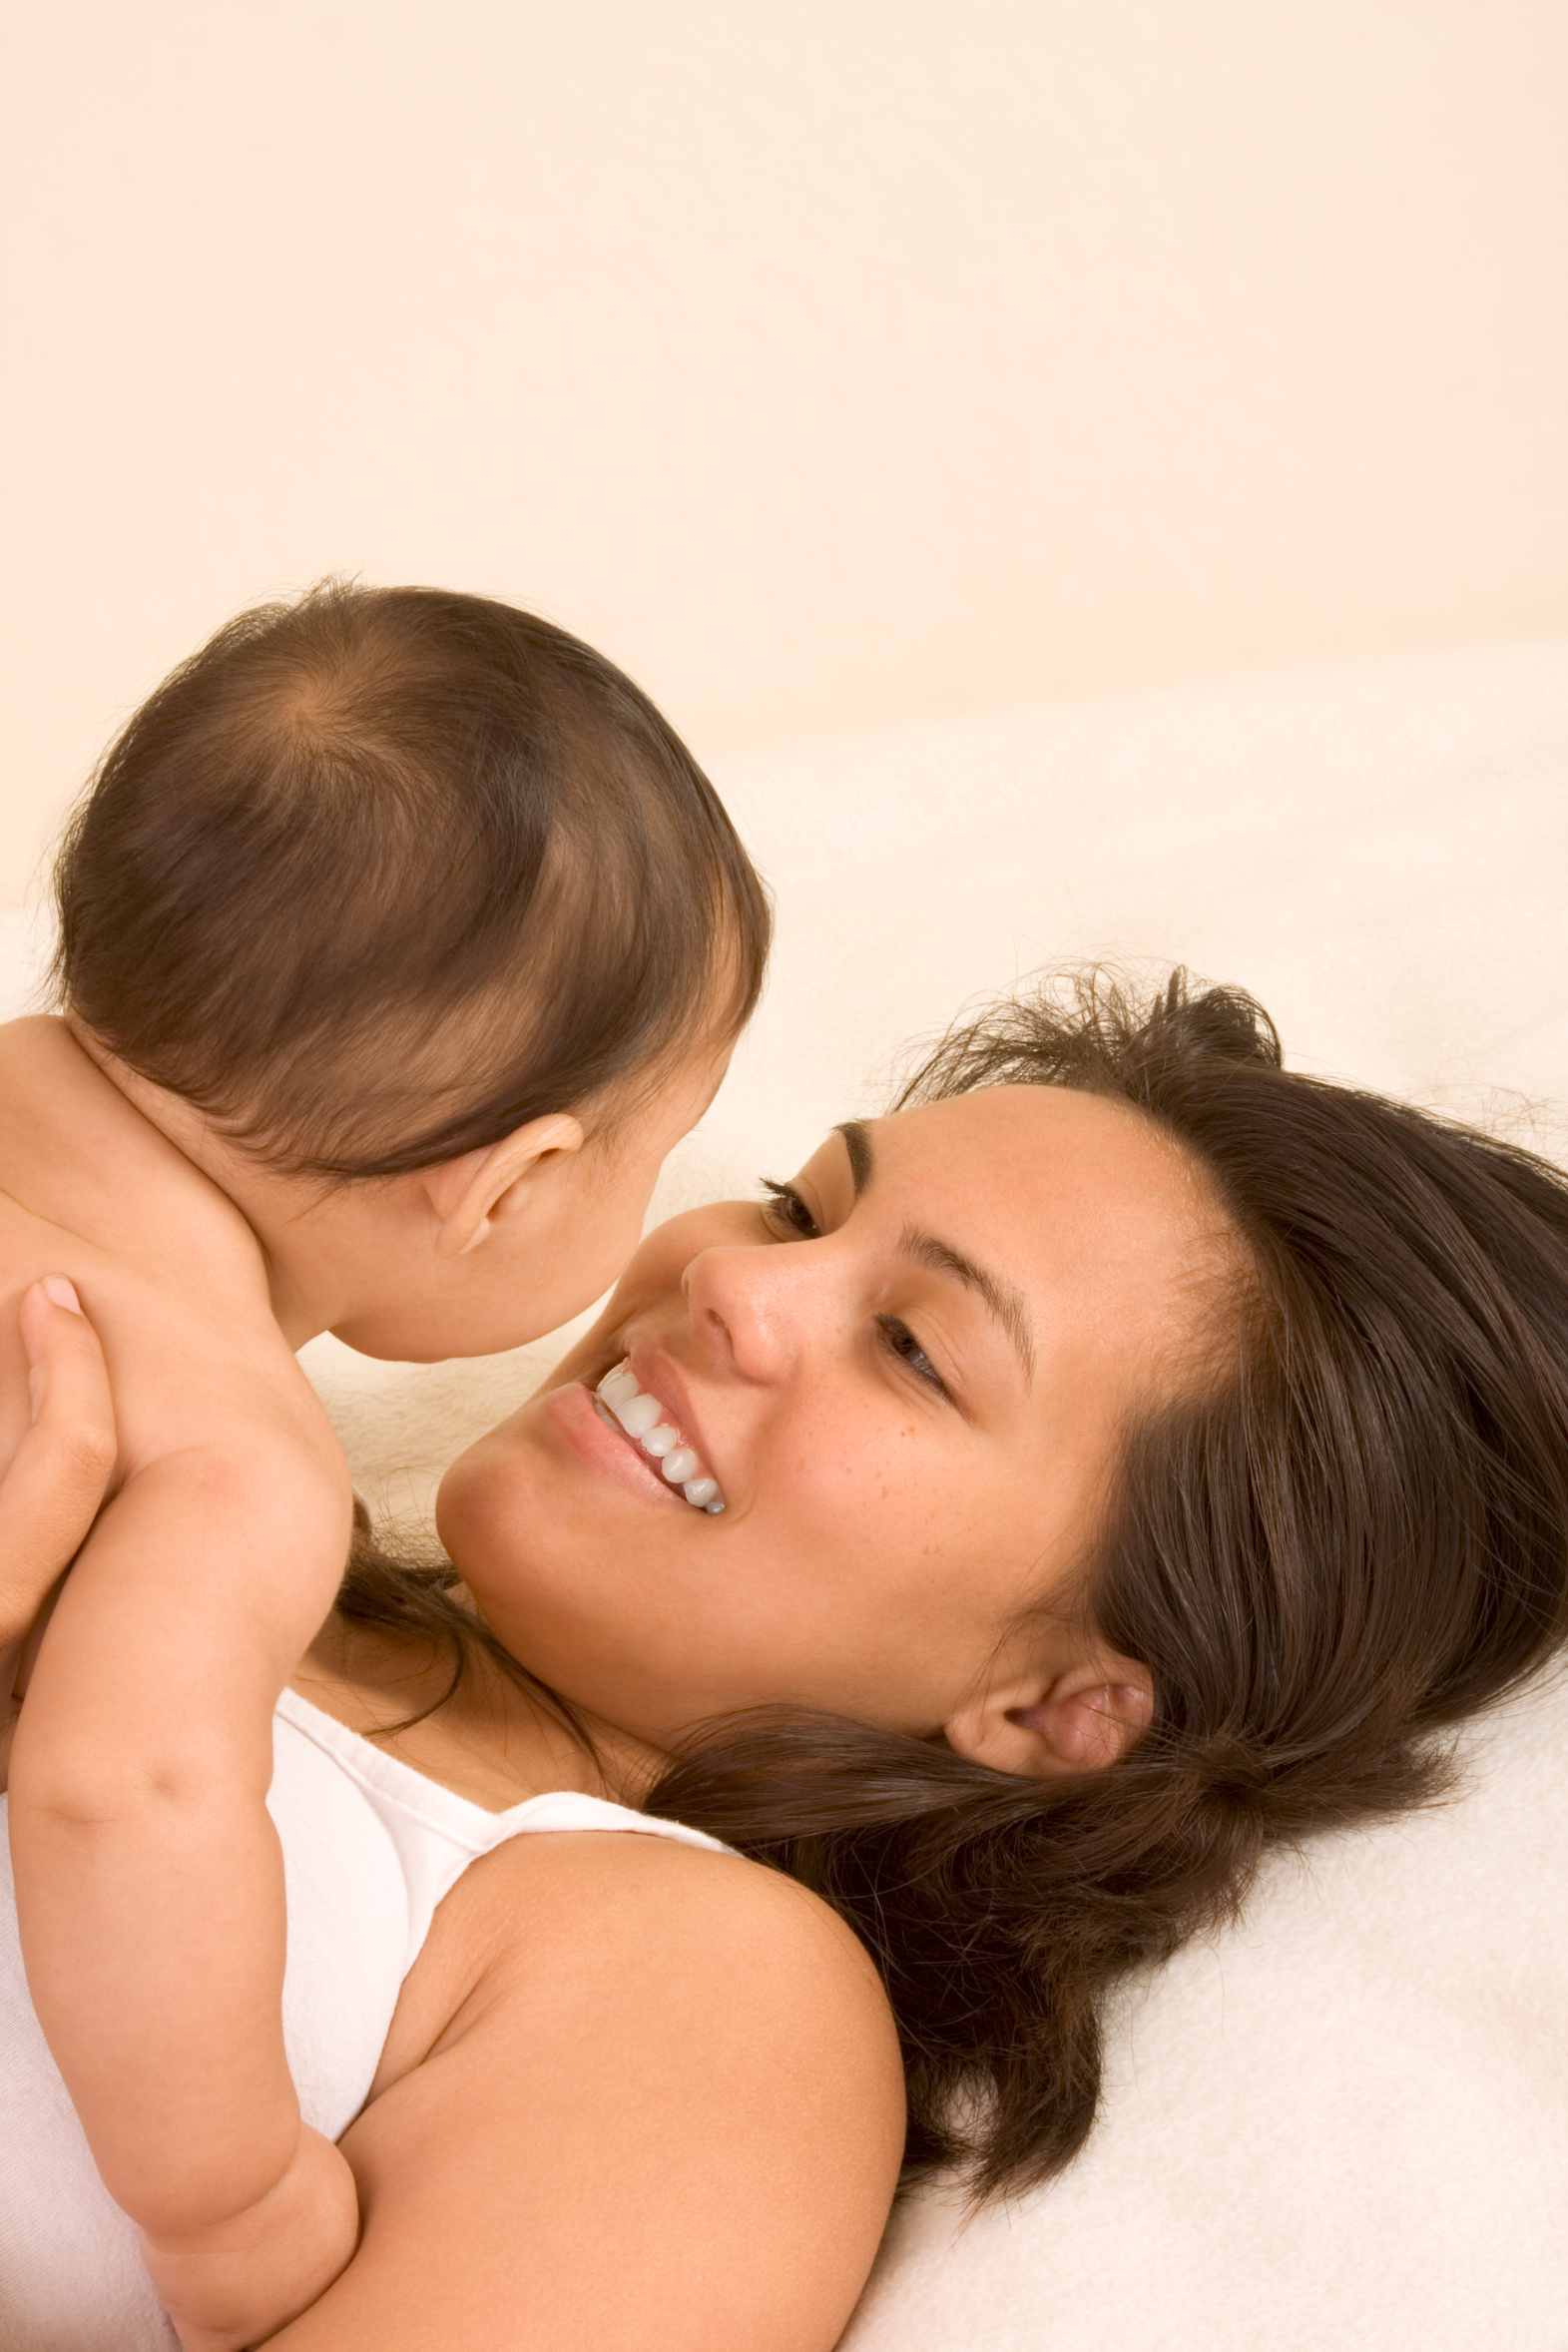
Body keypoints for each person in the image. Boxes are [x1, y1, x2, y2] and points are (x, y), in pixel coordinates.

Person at [6, 968, 1568, 2347]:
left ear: (1056, 1705)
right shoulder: (213, 1502)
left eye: (913, 1347)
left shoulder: (716, 2011)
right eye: (797, 1207)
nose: (731, 1280)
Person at [2, 579, 771, 2351]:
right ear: (512, 1185)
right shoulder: (223, 1448)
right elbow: (120, 1790)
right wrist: (227, 2195)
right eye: (669, 1152)